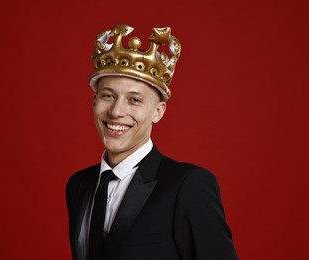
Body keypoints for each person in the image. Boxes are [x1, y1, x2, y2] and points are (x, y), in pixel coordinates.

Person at [66, 24, 239, 260]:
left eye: (134, 100)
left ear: (158, 112)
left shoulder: (188, 186)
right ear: (94, 102)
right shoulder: (79, 185)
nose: (116, 111)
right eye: (108, 96)